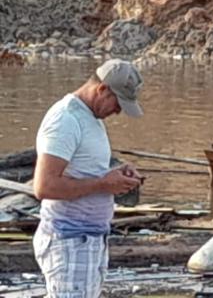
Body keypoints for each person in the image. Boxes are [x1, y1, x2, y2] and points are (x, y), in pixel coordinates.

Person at [32, 59, 145, 298]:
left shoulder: (91, 117)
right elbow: (44, 186)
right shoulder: (66, 120)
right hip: (69, 239)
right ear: (102, 89)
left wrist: (117, 172)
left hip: (90, 238)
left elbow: (85, 167)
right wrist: (103, 184)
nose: (118, 111)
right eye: (118, 103)